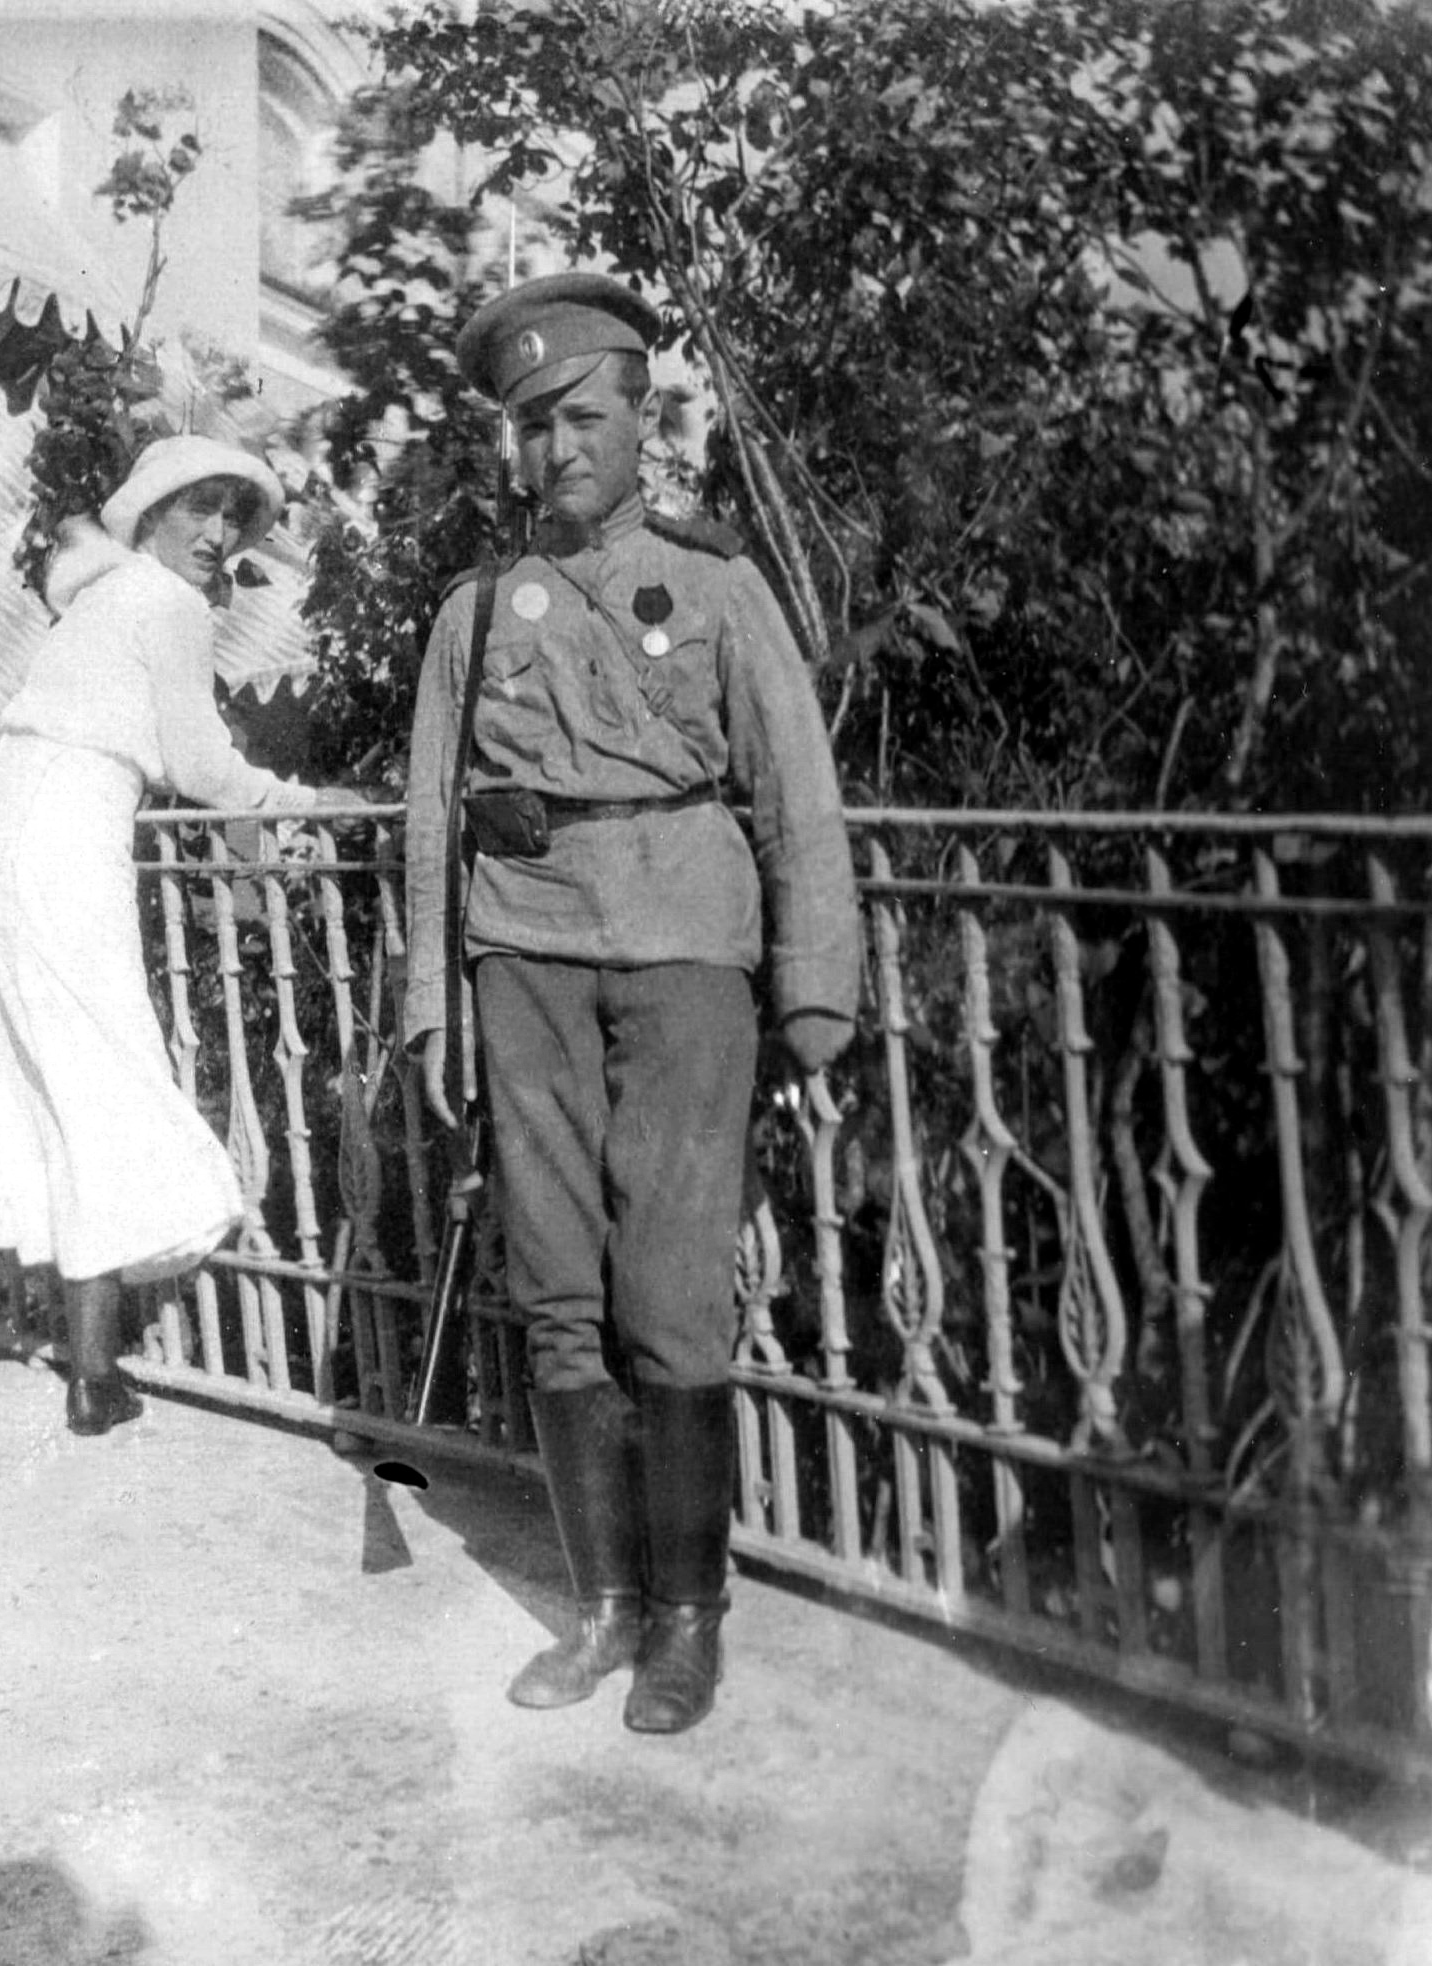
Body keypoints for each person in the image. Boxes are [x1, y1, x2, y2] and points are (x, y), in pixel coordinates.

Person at [404, 273, 862, 1733]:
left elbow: (796, 789)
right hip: (523, 954)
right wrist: (433, 1006)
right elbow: (431, 823)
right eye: (531, 427)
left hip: (682, 955)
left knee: (669, 1296)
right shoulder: (476, 611)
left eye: (583, 418)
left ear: (640, 419)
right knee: (555, 1293)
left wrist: (816, 987)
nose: (557, 450)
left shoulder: (717, 585)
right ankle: (603, 1607)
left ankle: (687, 1621)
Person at [0, 434, 327, 1436]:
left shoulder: (100, 596)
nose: (217, 534)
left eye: (233, 517)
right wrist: (302, 798)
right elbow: (200, 765)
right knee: (99, 1080)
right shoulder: (168, 603)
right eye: (198, 509)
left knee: (0, 1091)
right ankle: (92, 1373)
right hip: (64, 839)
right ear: (151, 512)